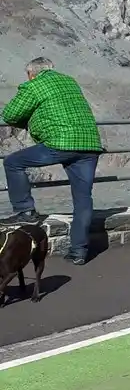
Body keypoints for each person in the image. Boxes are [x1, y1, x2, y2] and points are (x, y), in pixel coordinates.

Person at [0, 58, 104, 265]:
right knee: (83, 199)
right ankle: (79, 252)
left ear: (31, 73)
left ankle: (25, 211)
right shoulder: (69, 81)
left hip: (61, 144)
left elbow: (10, 114)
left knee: (13, 162)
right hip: (90, 145)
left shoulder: (35, 85)